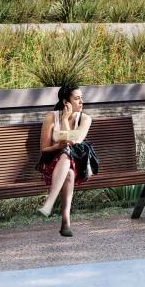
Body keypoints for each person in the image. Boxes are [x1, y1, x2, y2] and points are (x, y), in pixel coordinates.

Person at [38, 84, 95, 238]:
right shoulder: (51, 117)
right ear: (66, 102)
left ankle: (50, 203)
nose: (82, 102)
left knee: (67, 153)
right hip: (51, 166)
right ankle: (65, 222)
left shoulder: (85, 119)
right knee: (67, 169)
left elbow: (74, 141)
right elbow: (44, 148)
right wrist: (57, 145)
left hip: (78, 166)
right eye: (77, 98)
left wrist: (64, 123)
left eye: (82, 98)